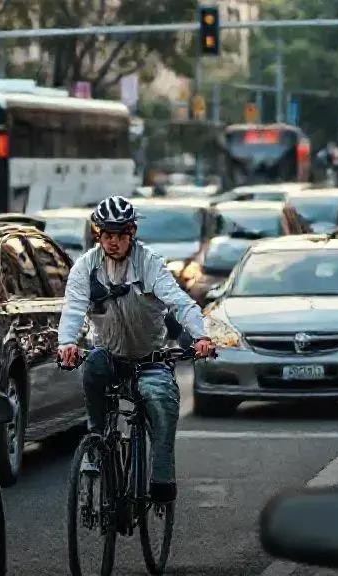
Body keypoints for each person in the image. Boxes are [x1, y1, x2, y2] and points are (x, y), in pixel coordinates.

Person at [57, 195, 215, 504]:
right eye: (107, 234)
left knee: (161, 399)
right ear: (98, 235)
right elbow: (73, 309)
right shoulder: (85, 267)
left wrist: (201, 336)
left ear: (131, 233)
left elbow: (179, 302)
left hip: (150, 358)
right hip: (109, 355)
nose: (113, 242)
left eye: (119, 235)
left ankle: (162, 474)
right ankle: (96, 443)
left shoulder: (149, 263)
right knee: (93, 368)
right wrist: (67, 344)